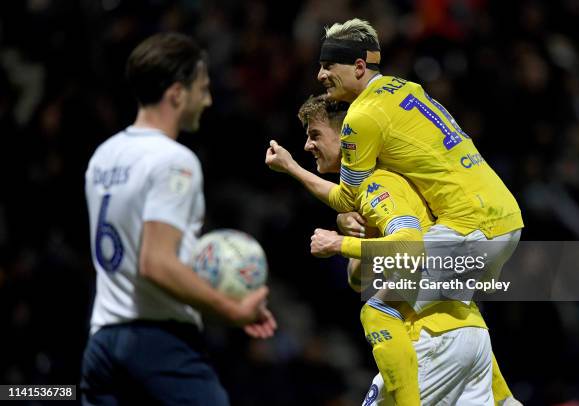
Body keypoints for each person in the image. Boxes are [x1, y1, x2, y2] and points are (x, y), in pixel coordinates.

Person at [266, 95, 519, 405]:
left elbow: (409, 245)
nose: (307, 145)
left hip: (430, 337)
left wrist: (338, 243)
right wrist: (358, 236)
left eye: (315, 134)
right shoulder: (372, 188)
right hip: (467, 330)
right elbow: (360, 281)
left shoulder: (378, 184)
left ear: (346, 135)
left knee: (375, 312)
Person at [81, 32, 276, 405]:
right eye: (202, 88)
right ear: (176, 93)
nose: (208, 99)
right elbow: (156, 263)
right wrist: (233, 309)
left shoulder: (103, 157)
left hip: (102, 343)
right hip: (156, 343)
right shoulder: (174, 161)